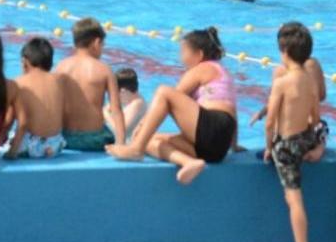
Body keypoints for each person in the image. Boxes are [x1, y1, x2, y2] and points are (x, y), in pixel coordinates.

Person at [107, 27, 234, 184]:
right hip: (217, 150)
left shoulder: (204, 67)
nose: (180, 58)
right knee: (150, 140)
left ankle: (136, 149)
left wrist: (141, 125)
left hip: (211, 129)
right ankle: (188, 162)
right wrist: (234, 145)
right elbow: (230, 112)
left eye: (183, 52)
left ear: (199, 55)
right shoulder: (223, 72)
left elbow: (171, 97)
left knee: (163, 92)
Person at [266, 22, 327, 242]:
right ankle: (317, 150)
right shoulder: (310, 81)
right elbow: (315, 118)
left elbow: (270, 121)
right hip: (305, 139)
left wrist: (269, 147)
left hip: (287, 147)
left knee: (294, 200)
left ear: (284, 52)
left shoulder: (282, 82)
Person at [58, 18, 127, 151]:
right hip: (94, 140)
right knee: (110, 135)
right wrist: (121, 142)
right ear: (96, 42)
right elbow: (116, 109)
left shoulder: (61, 67)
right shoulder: (104, 69)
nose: (102, 50)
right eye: (103, 45)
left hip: (65, 138)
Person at [6, 37, 67, 159]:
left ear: (24, 62)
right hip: (56, 145)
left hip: (30, 147)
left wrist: (8, 144)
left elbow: (10, 120)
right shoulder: (60, 80)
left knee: (11, 136)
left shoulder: (18, 83)